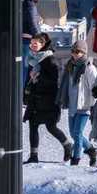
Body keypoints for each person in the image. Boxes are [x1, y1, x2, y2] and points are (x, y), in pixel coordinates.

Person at [23, 33, 72, 164]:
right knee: (33, 124)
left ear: (43, 45)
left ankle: (67, 145)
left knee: (51, 127)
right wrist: (26, 93)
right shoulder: (33, 59)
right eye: (31, 43)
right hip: (36, 99)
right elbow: (29, 79)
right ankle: (33, 156)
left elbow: (54, 81)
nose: (32, 46)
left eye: (35, 43)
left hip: (49, 101)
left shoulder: (50, 60)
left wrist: (37, 77)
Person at [57, 44, 97, 167]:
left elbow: (95, 88)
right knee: (73, 133)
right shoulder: (70, 66)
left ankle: (76, 159)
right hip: (72, 104)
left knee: (77, 133)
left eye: (78, 51)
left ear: (84, 52)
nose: (75, 54)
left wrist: (92, 103)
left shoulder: (89, 68)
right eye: (73, 51)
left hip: (84, 106)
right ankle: (91, 150)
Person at [21, 0, 44, 84]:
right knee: (26, 72)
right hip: (27, 44)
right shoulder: (30, 7)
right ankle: (21, 97)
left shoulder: (26, 5)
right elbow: (33, 27)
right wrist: (42, 42)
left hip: (25, 43)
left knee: (24, 71)